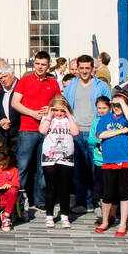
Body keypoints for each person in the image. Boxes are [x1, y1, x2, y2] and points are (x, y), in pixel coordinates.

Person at [13, 52, 62, 220]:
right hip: (27, 129)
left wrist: (49, 112)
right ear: (34, 64)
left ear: (48, 66)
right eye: (37, 63)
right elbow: (15, 103)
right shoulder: (25, 81)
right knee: (23, 166)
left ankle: (40, 200)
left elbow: (59, 105)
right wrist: (32, 113)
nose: (40, 67)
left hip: (47, 130)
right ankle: (19, 198)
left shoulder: (53, 83)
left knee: (43, 167)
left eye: (43, 64)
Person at [64, 55, 112, 211]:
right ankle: (81, 202)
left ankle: (96, 200)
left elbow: (107, 109)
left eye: (87, 68)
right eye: (81, 68)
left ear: (93, 69)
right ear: (77, 69)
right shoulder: (71, 85)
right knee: (78, 169)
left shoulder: (101, 86)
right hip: (76, 132)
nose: (84, 71)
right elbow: (64, 106)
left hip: (95, 133)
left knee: (95, 168)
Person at [95, 94, 128, 236]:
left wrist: (122, 103)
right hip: (109, 160)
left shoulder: (127, 118)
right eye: (115, 105)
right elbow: (101, 134)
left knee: (123, 192)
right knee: (108, 193)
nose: (117, 108)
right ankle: (105, 220)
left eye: (120, 105)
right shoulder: (105, 118)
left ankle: (123, 224)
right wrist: (119, 131)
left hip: (125, 159)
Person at [38, 96, 78, 228]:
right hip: (50, 155)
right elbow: (42, 131)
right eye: (56, 110)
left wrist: (68, 113)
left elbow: (75, 132)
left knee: (64, 187)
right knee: (51, 187)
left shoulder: (69, 119)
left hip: (66, 155)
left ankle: (65, 215)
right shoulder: (47, 119)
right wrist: (49, 114)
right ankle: (49, 215)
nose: (59, 114)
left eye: (62, 111)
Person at [0, 66, 21, 158]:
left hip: (20, 133)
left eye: (5, 76)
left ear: (12, 75)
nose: (3, 80)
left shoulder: (21, 88)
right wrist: (1, 121)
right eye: (1, 78)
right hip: (6, 134)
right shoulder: (1, 93)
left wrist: (11, 121)